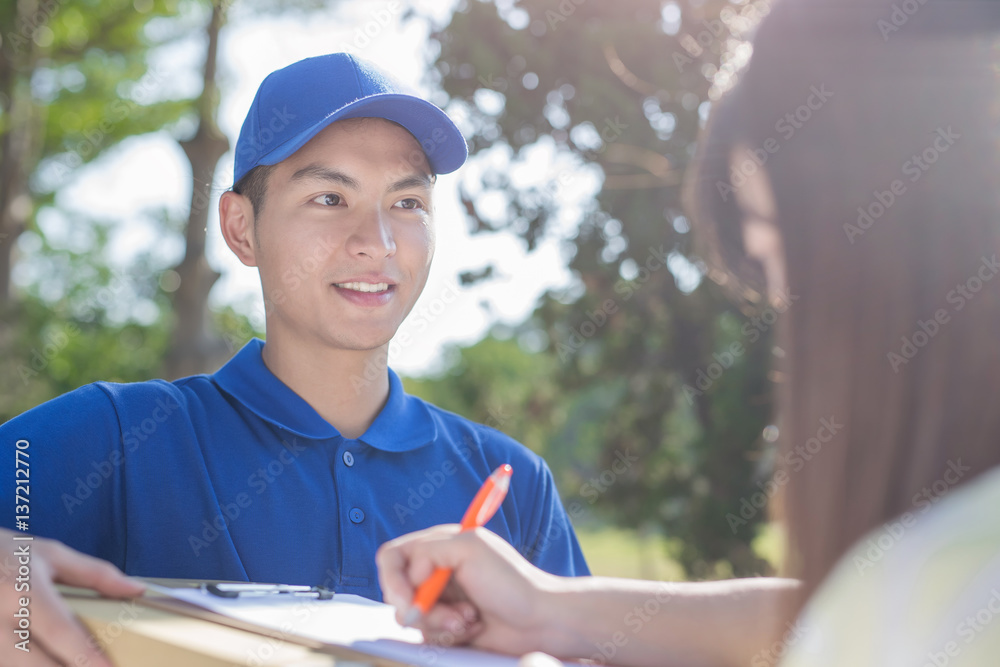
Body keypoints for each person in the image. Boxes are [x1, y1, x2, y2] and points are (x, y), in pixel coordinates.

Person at [377, 0, 1000, 664]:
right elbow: (832, 611)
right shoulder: (934, 580)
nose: (785, 310)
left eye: (774, 245)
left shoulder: (942, 589)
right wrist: (544, 614)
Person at [0, 53, 588, 666]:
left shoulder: (510, 483)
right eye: (330, 198)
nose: (377, 242)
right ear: (240, 229)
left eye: (407, 204)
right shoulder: (118, 437)